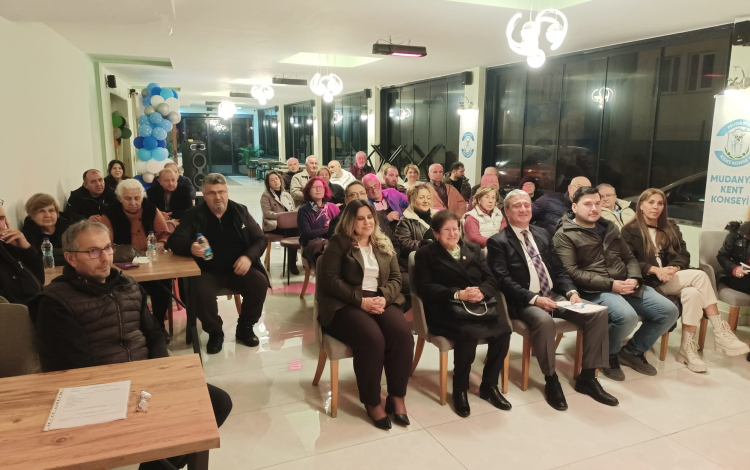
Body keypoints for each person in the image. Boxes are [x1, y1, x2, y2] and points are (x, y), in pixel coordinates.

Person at [27, 220, 231, 470]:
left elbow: (154, 333)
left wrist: (159, 372)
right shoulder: (55, 302)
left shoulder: (128, 284)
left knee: (219, 402)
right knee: (170, 428)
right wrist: (131, 387)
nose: (105, 257)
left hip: (145, 376)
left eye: (108, 248)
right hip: (102, 391)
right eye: (93, 251)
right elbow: (75, 369)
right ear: (70, 258)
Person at [486, 190, 617, 410]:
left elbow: (559, 269)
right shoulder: (498, 242)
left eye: (526, 204)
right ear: (506, 211)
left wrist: (571, 292)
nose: (524, 209)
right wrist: (534, 299)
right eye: (517, 206)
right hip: (523, 301)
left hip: (553, 294)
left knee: (598, 313)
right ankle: (551, 379)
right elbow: (503, 281)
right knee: (544, 321)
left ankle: (588, 377)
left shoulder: (543, 234)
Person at [554, 186, 679, 381]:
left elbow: (629, 258)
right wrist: (612, 285)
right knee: (626, 317)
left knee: (669, 311)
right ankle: (608, 355)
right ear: (575, 207)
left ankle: (632, 352)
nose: (594, 208)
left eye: (597, 203)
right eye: (587, 204)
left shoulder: (609, 228)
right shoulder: (564, 234)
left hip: (626, 284)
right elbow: (572, 272)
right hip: (592, 289)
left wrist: (634, 278)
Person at [622, 190, 750, 371]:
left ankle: (687, 350)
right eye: (651, 202)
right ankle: (721, 330)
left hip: (670, 277)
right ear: (641, 205)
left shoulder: (670, 227)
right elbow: (628, 260)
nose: (656, 207)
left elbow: (683, 254)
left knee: (693, 293)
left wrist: (674, 267)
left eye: (660, 203)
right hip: (648, 282)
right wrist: (656, 270)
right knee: (700, 275)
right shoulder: (629, 230)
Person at [318, 200, 412, 429]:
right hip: (345, 303)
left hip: (380, 298)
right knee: (372, 338)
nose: (367, 222)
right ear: (350, 221)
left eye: (370, 217)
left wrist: (384, 297)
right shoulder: (339, 243)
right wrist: (361, 301)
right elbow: (330, 280)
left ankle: (396, 396)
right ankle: (372, 401)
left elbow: (396, 278)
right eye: (360, 218)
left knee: (402, 335)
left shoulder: (382, 242)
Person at [414, 210, 512, 417]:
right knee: (468, 333)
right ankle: (460, 388)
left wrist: (481, 292)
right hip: (445, 309)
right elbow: (424, 287)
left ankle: (489, 385)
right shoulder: (426, 254)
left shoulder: (473, 249)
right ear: (436, 233)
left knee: (503, 331)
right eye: (446, 230)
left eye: (455, 229)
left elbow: (491, 279)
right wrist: (458, 294)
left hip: (478, 306)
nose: (453, 234)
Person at [169, 173, 269, 354]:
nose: (217, 197)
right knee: (199, 290)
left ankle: (245, 327)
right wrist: (190, 246)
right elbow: (174, 240)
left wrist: (248, 257)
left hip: (237, 268)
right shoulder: (194, 214)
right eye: (212, 193)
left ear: (227, 192)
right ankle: (215, 331)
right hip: (207, 270)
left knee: (259, 282)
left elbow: (260, 239)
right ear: (204, 194)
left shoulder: (240, 211)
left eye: (221, 192)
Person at [101, 179, 172, 342]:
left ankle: (159, 325)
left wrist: (161, 243)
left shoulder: (150, 208)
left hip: (151, 263)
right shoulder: (109, 213)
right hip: (124, 266)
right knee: (132, 290)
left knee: (164, 285)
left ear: (142, 197)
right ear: (119, 198)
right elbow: (105, 243)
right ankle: (142, 328)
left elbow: (164, 234)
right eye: (128, 198)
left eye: (137, 198)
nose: (133, 203)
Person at [0, 204, 43, 305]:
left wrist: (26, 248)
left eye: (1, 219)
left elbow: (39, 280)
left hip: (34, 306)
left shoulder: (7, 246)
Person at [260, 170, 299, 275]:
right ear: (268, 183)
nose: (275, 181)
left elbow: (292, 209)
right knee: (292, 231)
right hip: (273, 224)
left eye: (276, 179)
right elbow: (267, 213)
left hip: (288, 224)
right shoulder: (266, 196)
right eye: (272, 180)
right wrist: (282, 217)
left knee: (300, 229)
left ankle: (304, 260)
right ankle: (292, 264)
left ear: (280, 180)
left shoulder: (286, 194)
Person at [21, 193, 76, 266]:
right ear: (31, 215)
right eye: (41, 211)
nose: (47, 215)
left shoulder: (70, 229)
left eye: (51, 210)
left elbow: (78, 254)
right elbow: (34, 260)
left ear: (57, 213)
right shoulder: (26, 236)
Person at [297, 177, 341, 266]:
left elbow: (341, 226)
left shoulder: (333, 207)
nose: (318, 189)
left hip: (334, 240)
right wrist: (329, 229)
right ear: (309, 191)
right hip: (313, 243)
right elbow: (307, 234)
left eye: (321, 187)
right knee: (328, 248)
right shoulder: (303, 210)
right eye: (315, 187)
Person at [395, 184, 439, 269]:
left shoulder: (438, 216)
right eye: (421, 198)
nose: (426, 201)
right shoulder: (405, 220)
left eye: (428, 198)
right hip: (419, 263)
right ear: (412, 199)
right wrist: (422, 244)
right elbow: (404, 244)